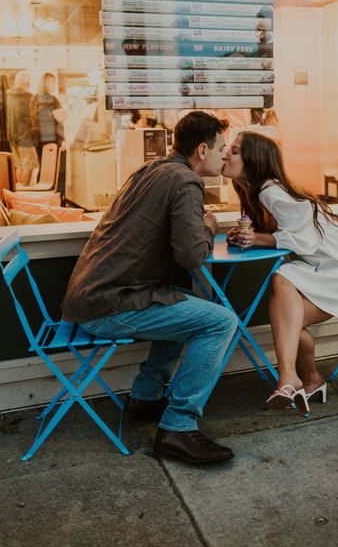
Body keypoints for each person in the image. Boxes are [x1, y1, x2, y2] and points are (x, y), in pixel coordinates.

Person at [62, 111, 238, 464]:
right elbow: (191, 257)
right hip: (109, 305)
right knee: (221, 322)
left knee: (184, 304)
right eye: (221, 148)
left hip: (92, 295)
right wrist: (210, 225)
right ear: (202, 150)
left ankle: (143, 398)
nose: (225, 155)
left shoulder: (151, 169)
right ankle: (178, 427)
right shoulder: (186, 182)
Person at [222, 132, 338, 415]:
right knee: (288, 318)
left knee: (283, 283)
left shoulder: (270, 190)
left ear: (254, 160)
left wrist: (259, 239)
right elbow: (290, 232)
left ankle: (288, 377)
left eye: (235, 151)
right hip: (325, 268)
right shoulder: (254, 191)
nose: (227, 154)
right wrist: (253, 234)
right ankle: (311, 380)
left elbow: (304, 240)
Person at [6, 71, 39, 186]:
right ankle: (25, 191)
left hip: (12, 136)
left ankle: (19, 191)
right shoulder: (28, 97)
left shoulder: (8, 96)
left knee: (19, 164)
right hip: (25, 136)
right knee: (29, 164)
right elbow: (35, 117)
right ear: (26, 82)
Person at [30, 72, 67, 158]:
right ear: (46, 83)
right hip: (51, 137)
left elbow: (32, 117)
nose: (54, 85)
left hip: (37, 137)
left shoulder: (34, 98)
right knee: (52, 166)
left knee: (43, 165)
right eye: (53, 82)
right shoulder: (53, 99)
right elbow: (60, 118)